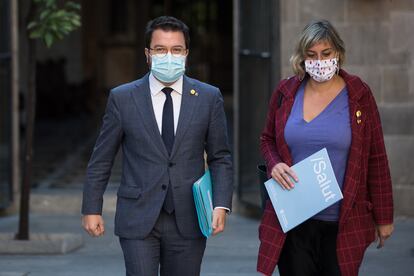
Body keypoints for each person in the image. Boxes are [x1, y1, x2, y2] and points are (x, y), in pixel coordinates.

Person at [81, 16, 233, 276]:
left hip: (190, 217)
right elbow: (102, 158)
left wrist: (220, 204)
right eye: (160, 49)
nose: (169, 56)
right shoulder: (123, 98)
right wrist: (91, 208)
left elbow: (221, 157)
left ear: (186, 53)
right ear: (147, 54)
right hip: (138, 216)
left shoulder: (208, 97)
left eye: (176, 50)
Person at [257, 19, 394, 276]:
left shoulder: (359, 95)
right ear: (302, 57)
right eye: (311, 55)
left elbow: (376, 157)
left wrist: (384, 217)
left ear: (338, 53)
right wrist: (275, 164)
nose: (319, 61)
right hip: (294, 220)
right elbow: (267, 139)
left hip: (343, 221)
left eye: (326, 53)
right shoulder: (286, 91)